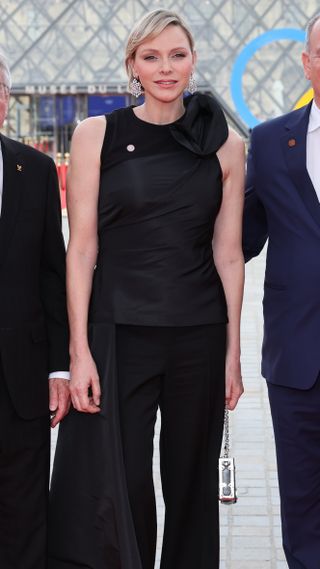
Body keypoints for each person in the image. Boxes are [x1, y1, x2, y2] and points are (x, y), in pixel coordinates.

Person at [49, 9, 244, 569]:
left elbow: (228, 255)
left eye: (177, 55)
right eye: (151, 56)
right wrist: (79, 352)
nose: (166, 68)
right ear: (133, 65)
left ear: (193, 61)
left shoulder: (227, 146)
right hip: (118, 336)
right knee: (120, 482)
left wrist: (233, 354)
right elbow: (81, 248)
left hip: (198, 338)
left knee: (190, 484)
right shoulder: (96, 135)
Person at [243, 14, 320, 569]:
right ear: (308, 62)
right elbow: (237, 239)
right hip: (298, 359)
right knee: (302, 503)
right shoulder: (270, 142)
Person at [0, 55, 70, 569]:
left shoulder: (36, 169)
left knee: (25, 516)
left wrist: (59, 368)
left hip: (20, 381)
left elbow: (52, 273)